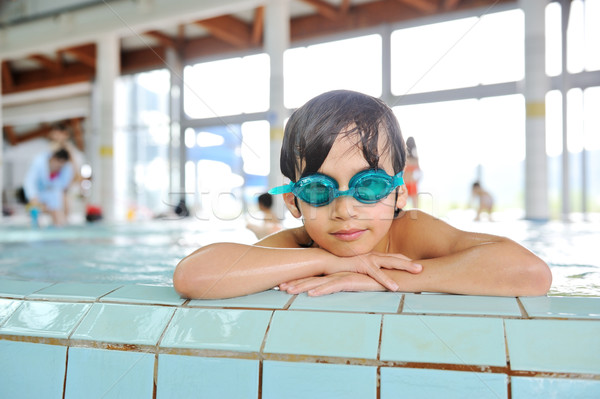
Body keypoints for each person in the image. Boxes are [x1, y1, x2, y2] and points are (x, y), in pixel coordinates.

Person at [173, 90, 551, 299]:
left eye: (368, 186)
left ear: (399, 194)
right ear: (293, 202)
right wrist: (329, 262)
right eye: (318, 190)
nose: (345, 210)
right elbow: (193, 275)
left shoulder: (410, 233)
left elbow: (531, 274)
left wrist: (380, 278)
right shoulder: (300, 243)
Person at [23, 148, 74, 226]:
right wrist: (33, 197)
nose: (58, 168)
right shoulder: (38, 162)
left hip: (53, 194)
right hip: (37, 193)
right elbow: (29, 182)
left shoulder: (66, 168)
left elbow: (62, 188)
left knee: (59, 218)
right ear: (53, 158)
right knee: (35, 214)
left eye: (61, 167)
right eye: (58, 165)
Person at [404, 136, 421, 208]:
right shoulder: (415, 159)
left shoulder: (404, 158)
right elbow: (419, 173)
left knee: (400, 207)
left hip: (404, 184)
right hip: (412, 184)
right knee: (416, 208)